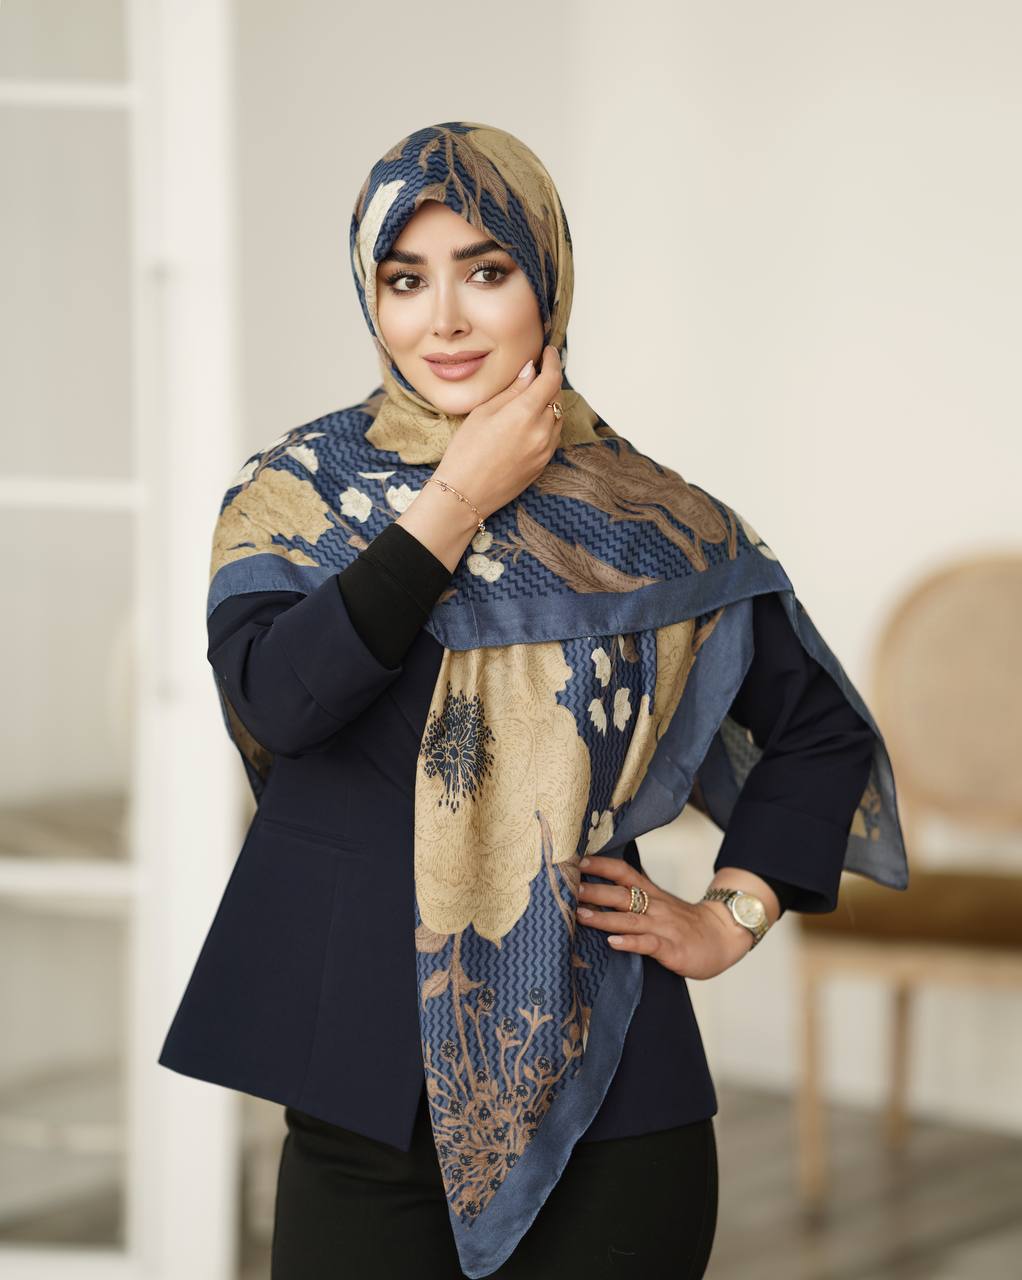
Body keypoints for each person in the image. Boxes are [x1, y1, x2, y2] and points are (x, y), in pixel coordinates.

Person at [158, 121, 907, 1279]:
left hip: (614, 1100)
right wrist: (454, 499)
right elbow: (280, 702)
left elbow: (818, 732)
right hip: (358, 1094)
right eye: (406, 279)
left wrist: (727, 916)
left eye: (486, 271)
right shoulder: (293, 498)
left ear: (545, 280)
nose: (444, 320)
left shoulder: (653, 521)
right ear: (371, 295)